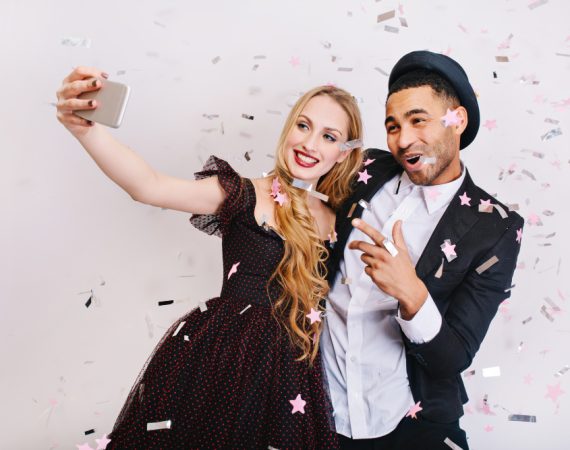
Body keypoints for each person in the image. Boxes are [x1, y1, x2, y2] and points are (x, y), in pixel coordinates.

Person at [56, 67, 365, 448]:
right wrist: (87, 131)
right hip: (224, 365)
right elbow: (149, 185)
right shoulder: (243, 193)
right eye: (303, 125)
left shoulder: (337, 221)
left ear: (343, 153)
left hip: (289, 381)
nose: (310, 143)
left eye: (329, 136)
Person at [321, 51, 524, 450]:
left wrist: (412, 293)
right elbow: (295, 189)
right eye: (393, 126)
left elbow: (455, 356)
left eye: (418, 120)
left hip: (414, 422)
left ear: (457, 121)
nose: (403, 139)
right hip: (320, 419)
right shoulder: (363, 170)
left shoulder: (495, 228)